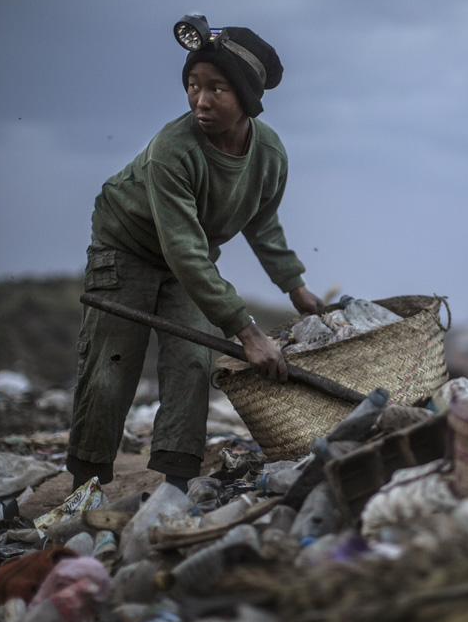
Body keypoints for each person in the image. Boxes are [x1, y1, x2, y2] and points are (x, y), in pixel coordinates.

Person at [66, 25, 323, 493]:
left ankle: (176, 485)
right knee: (112, 365)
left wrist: (296, 288)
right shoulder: (173, 149)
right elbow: (183, 248)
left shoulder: (268, 153)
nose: (200, 100)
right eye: (193, 85)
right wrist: (248, 332)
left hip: (189, 260)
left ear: (246, 97)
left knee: (191, 363)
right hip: (126, 248)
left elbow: (261, 222)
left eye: (216, 89)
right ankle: (87, 484)